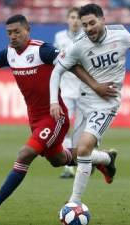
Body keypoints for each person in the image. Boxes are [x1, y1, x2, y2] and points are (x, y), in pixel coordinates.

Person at [0, 14, 115, 221]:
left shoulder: (42, 50)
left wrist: (95, 86)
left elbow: (72, 64)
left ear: (28, 30)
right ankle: (104, 159)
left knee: (25, 154)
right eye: (9, 33)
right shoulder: (9, 54)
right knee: (58, 160)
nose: (13, 36)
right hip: (35, 120)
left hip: (54, 116)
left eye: (17, 32)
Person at [49, 3, 130, 204]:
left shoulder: (121, 34)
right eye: (85, 25)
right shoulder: (78, 44)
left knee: (83, 149)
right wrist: (54, 101)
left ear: (103, 20)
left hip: (107, 104)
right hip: (83, 101)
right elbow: (56, 71)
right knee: (77, 154)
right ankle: (107, 159)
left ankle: (74, 202)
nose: (89, 28)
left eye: (92, 23)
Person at [54, 7, 83, 178]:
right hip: (65, 90)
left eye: (78, 18)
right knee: (64, 128)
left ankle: (86, 160)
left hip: (83, 90)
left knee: (81, 130)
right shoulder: (59, 37)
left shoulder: (85, 37)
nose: (75, 20)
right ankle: (68, 167)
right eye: (72, 17)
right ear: (67, 19)